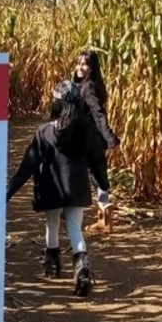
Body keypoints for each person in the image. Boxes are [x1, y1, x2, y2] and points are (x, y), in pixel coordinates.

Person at [6, 80, 109, 298]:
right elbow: (97, 161)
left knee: (52, 222)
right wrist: (103, 187)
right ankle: (82, 269)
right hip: (76, 187)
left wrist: (9, 192)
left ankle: (52, 264)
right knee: (74, 227)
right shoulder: (86, 131)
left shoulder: (44, 132)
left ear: (56, 103)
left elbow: (28, 164)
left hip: (50, 186)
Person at [72, 48, 120, 226]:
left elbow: (98, 114)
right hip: (94, 139)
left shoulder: (88, 87)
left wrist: (110, 137)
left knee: (77, 173)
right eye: (78, 63)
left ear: (93, 67)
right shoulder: (89, 84)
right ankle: (104, 215)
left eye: (85, 64)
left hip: (86, 139)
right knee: (98, 176)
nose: (80, 67)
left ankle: (71, 213)